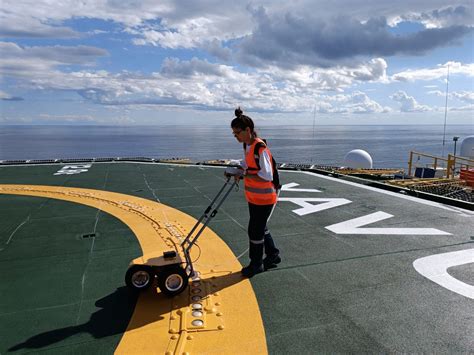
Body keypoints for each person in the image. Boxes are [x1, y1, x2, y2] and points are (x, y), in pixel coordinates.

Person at [230, 107, 281, 277]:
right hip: (255, 197)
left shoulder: (260, 147)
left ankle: (256, 264)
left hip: (265, 198)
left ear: (248, 130)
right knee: (260, 227)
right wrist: (238, 169)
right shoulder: (247, 145)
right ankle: (273, 254)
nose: (235, 136)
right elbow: (247, 163)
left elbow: (266, 175)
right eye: (234, 133)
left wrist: (243, 174)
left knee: (255, 230)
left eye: (237, 133)